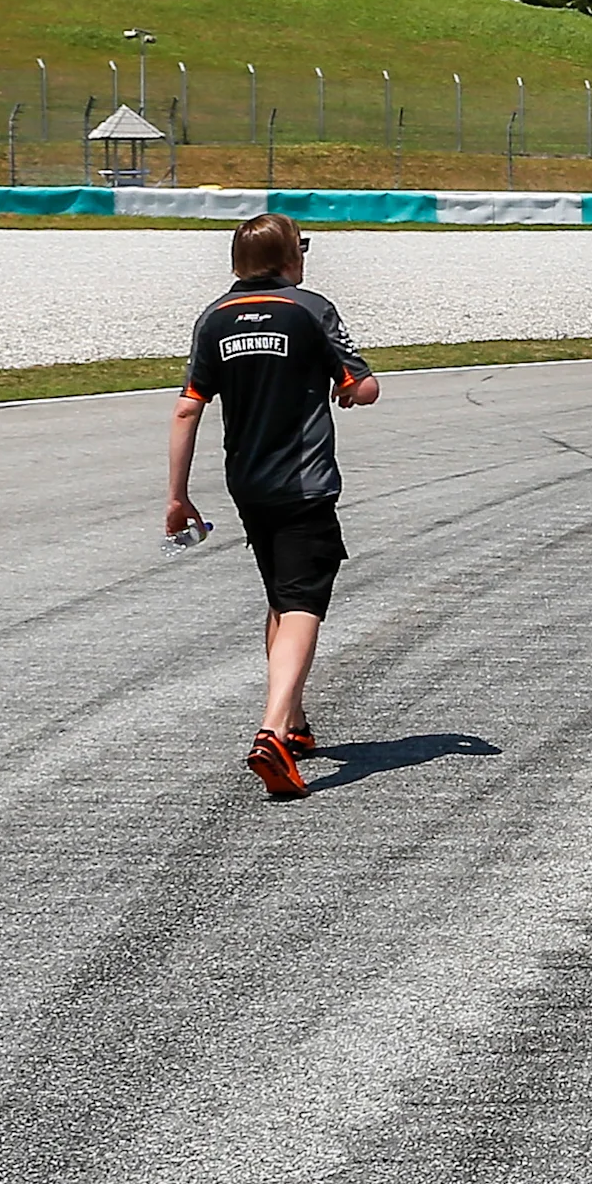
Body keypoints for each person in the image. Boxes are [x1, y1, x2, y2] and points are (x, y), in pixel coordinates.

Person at [164, 212, 380, 801]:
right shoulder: (309, 309)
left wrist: (178, 496)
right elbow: (364, 384)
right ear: (290, 259)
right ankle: (271, 733)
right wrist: (346, 389)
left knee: (280, 598)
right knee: (305, 599)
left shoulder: (213, 318)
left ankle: (295, 721)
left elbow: (188, 408)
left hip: (248, 483)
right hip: (304, 480)